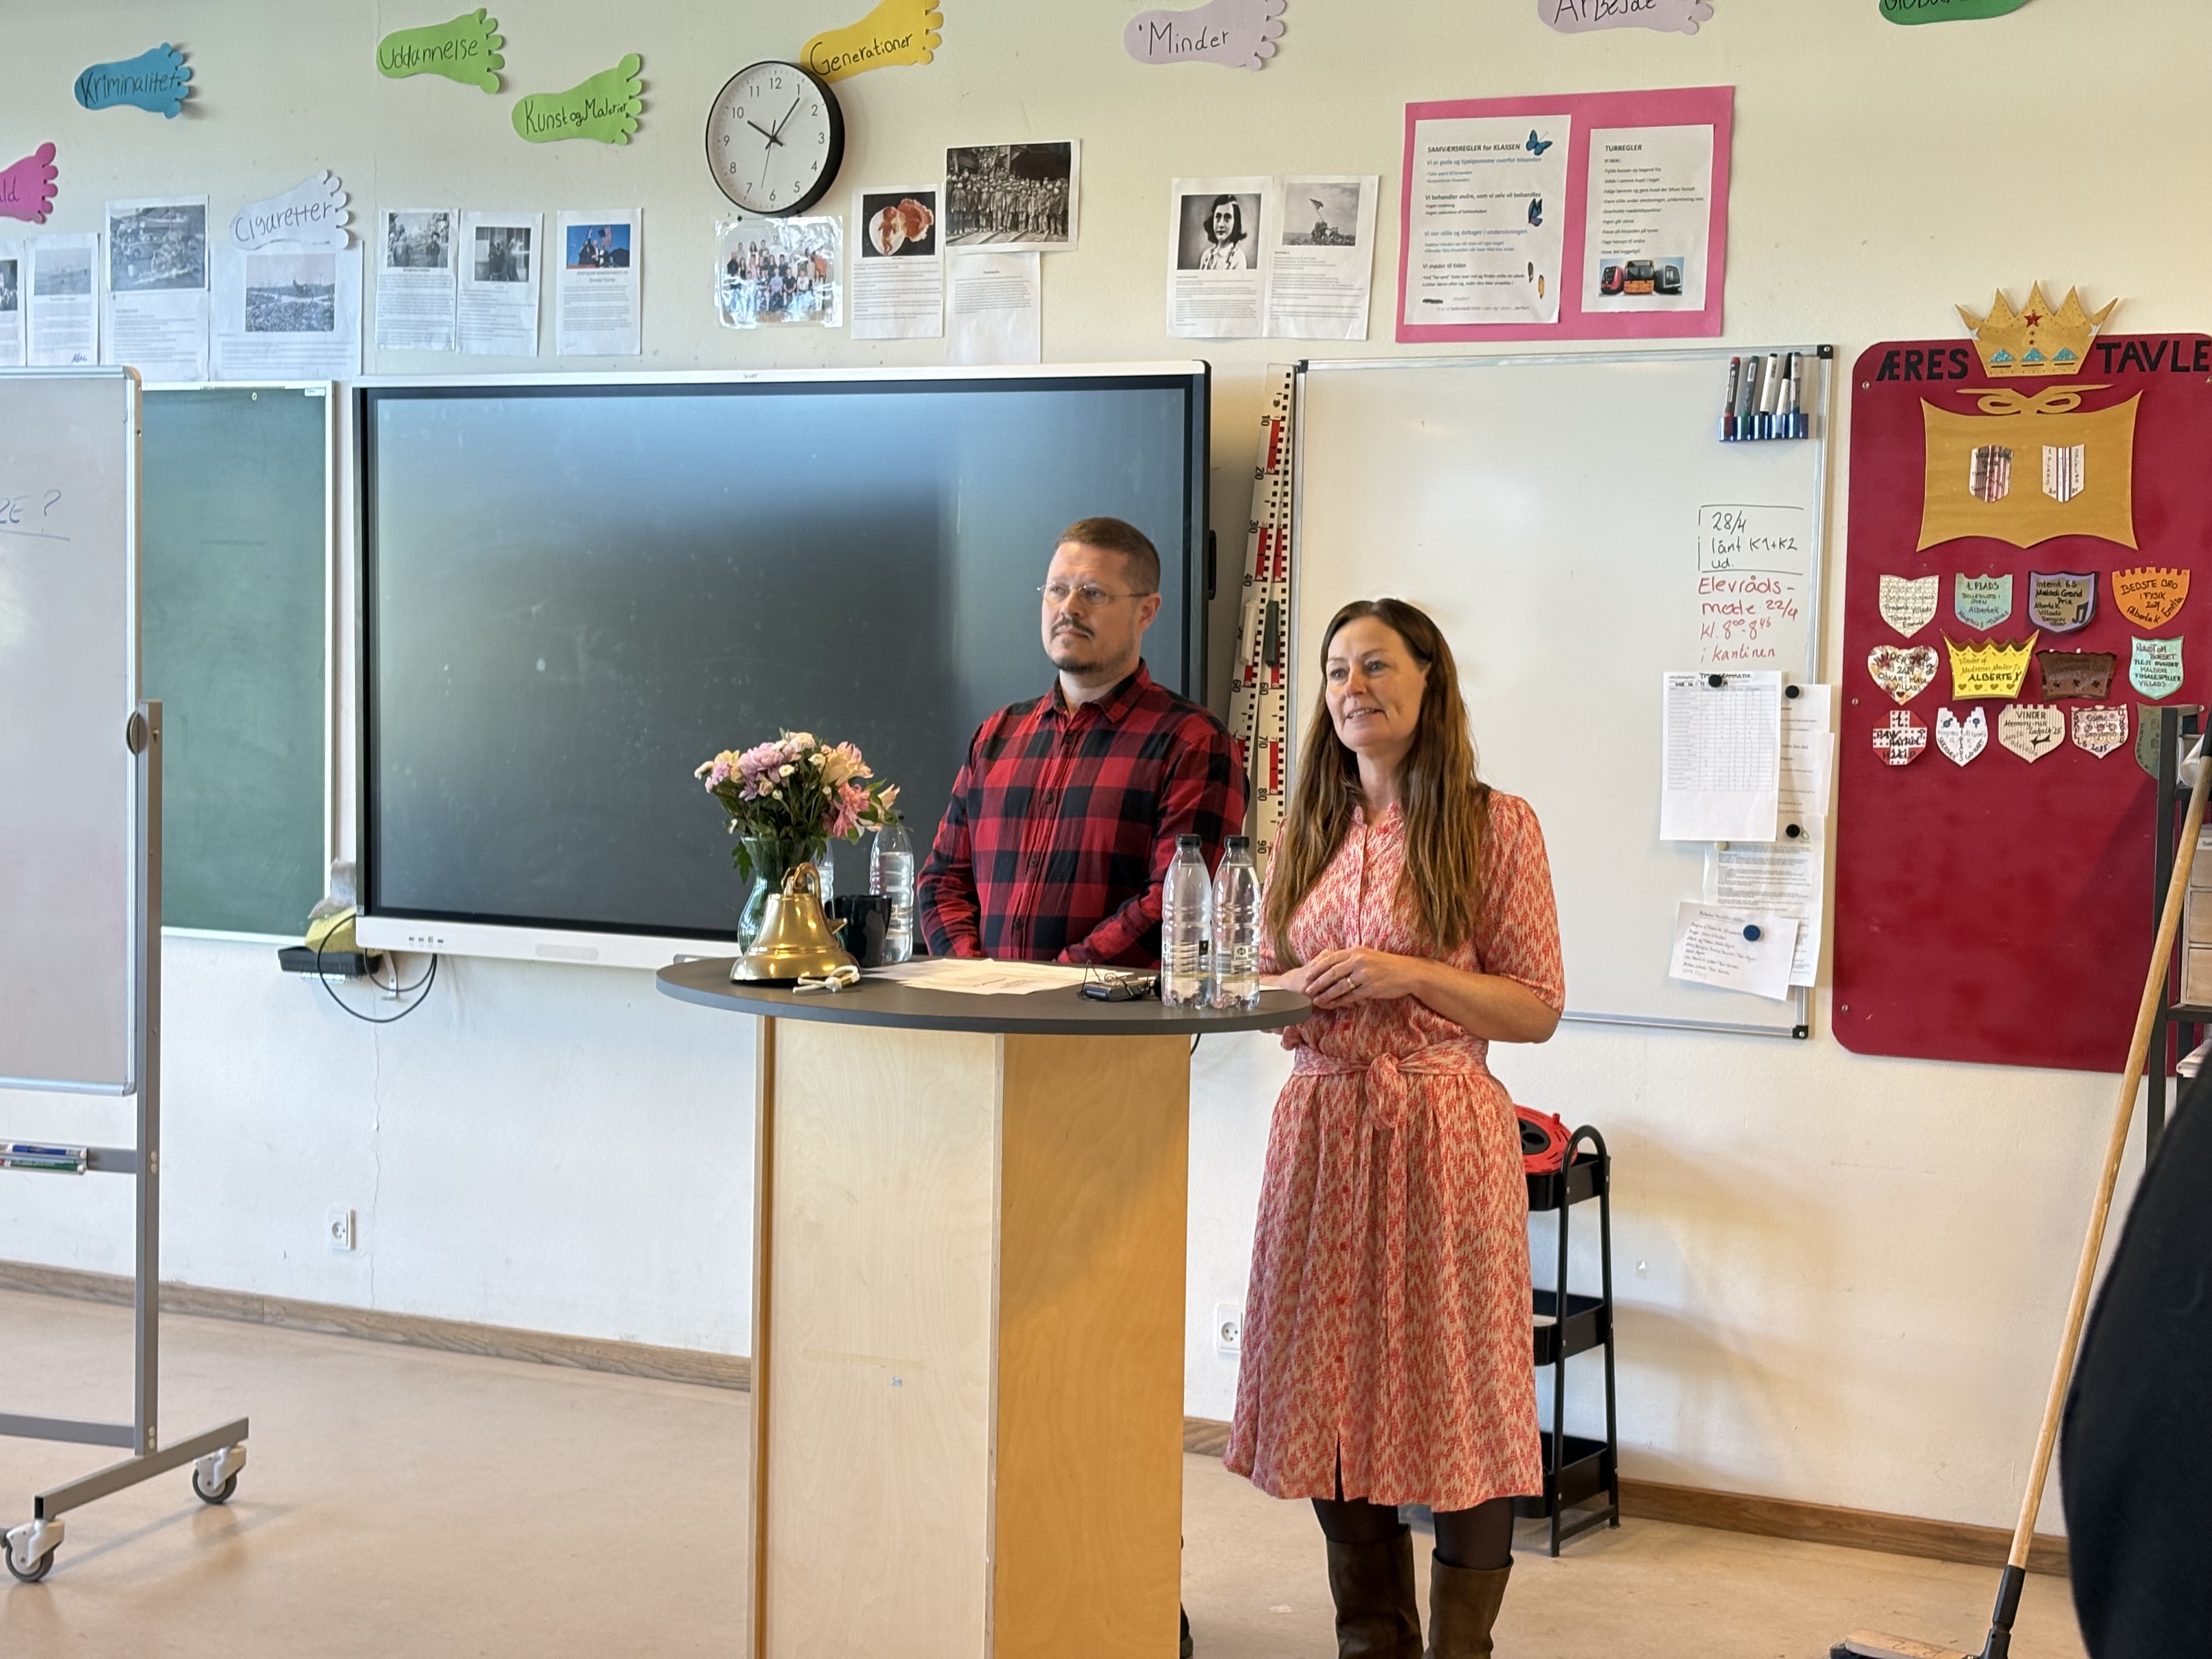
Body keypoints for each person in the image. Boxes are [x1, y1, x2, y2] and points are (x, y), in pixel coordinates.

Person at [1227, 597, 1564, 1659]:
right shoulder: (1308, 827)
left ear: (1429, 680)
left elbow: (1536, 1006)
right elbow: (1267, 973)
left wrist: (1406, 972)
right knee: (1330, 1395)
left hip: (1439, 1132)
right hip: (1321, 1124)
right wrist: (1278, 985)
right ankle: (1374, 1640)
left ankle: (1461, 1648)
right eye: (1334, 670)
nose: (1350, 687)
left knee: (1460, 1397)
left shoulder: (1493, 821)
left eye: (1375, 665)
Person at [919, 516, 1245, 966]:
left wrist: (1053, 986)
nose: (1068, 608)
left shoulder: (1194, 744)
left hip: (1111, 1029)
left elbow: (1176, 908)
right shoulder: (997, 736)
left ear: (1146, 611)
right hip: (986, 1024)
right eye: (1057, 590)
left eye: (1092, 593)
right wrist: (974, 979)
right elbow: (943, 881)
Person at [1199, 195, 1249, 271]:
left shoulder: (1238, 258)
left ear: (1235, 223)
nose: (1221, 224)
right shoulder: (1206, 256)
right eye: (1218, 217)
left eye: (1227, 218)